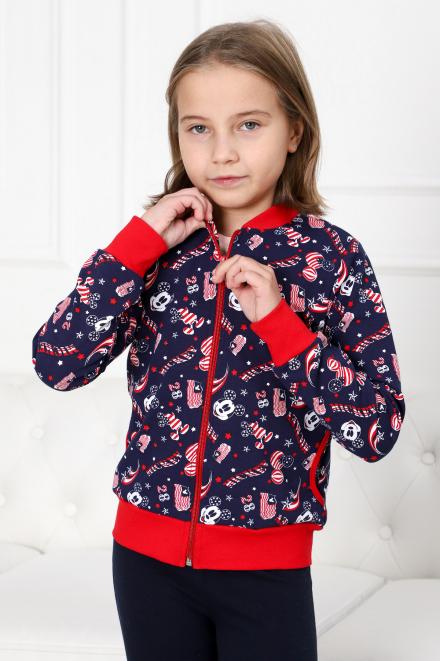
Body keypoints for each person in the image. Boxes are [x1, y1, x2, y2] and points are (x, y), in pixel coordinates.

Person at [32, 18, 406, 661]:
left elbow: (376, 429)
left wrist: (281, 324)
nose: (222, 152)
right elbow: (57, 363)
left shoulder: (331, 259)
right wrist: (134, 247)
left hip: (266, 569)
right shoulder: (156, 251)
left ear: (295, 130)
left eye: (249, 124)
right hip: (144, 562)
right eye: (198, 128)